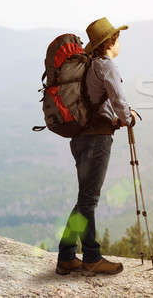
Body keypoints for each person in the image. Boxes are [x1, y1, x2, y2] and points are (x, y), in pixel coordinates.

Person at [55, 17, 140, 275]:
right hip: (96, 140)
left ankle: (67, 256)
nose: (119, 42)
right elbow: (119, 101)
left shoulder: (89, 65)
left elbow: (96, 103)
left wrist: (112, 117)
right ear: (111, 41)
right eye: (117, 38)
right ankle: (91, 257)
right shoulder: (106, 66)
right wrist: (128, 118)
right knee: (89, 199)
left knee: (84, 198)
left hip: (80, 137)